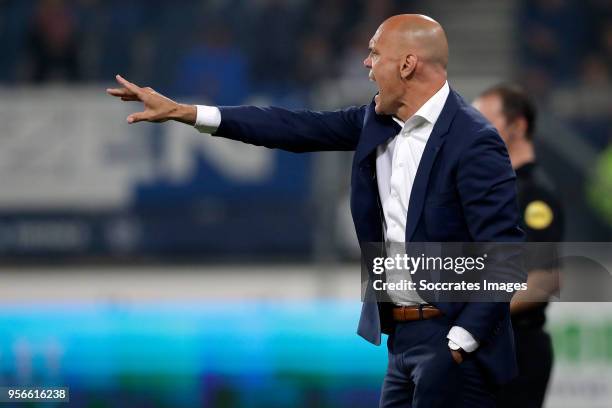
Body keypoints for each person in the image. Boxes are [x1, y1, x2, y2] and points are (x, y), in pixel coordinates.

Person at [107, 14, 524, 408]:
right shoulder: (375, 122)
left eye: (376, 53)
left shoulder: (473, 141)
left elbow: (504, 256)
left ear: (409, 65)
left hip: (452, 344)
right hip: (401, 341)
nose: (366, 62)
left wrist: (460, 340)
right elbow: (290, 127)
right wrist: (187, 112)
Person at [474, 84, 564, 408]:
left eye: (485, 119)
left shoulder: (534, 193)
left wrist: (474, 315)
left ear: (518, 125)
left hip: (517, 347)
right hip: (487, 346)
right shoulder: (493, 190)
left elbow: (544, 280)